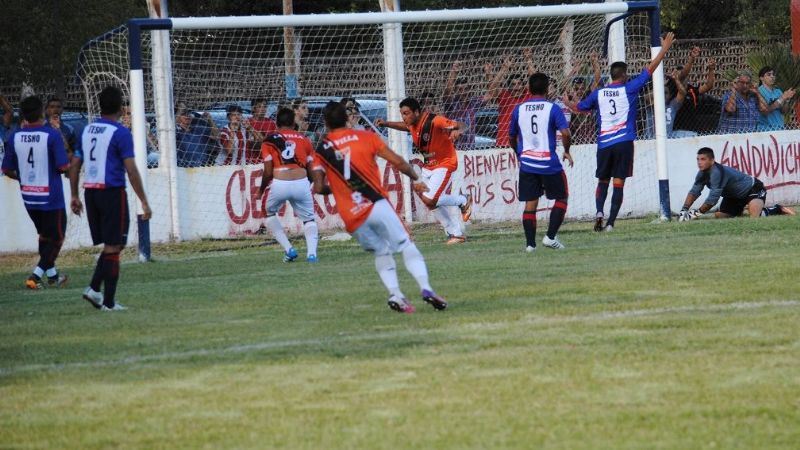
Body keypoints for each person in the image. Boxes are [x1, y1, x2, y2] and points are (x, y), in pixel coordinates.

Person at [311, 102, 448, 313]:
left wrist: (340, 189)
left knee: (382, 252)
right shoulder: (367, 137)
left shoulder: (322, 149)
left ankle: (396, 294)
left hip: (351, 216)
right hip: (376, 203)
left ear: (326, 123)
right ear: (347, 119)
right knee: (406, 245)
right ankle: (426, 288)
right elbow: (399, 162)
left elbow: (319, 188)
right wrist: (416, 178)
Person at [571, 32, 675, 232]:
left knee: (603, 181)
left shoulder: (599, 93)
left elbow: (580, 107)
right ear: (625, 75)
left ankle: (599, 212)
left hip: (604, 144)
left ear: (611, 75)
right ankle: (610, 223)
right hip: (624, 142)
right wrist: (664, 48)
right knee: (618, 183)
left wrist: (568, 103)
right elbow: (651, 69)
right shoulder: (630, 88)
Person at [69, 86, 152, 311]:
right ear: (120, 107)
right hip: (112, 192)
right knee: (115, 245)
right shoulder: (120, 133)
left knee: (112, 245)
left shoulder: (86, 131)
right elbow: (132, 171)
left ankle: (99, 294)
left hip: (91, 193)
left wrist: (74, 195)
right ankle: (103, 296)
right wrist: (143, 200)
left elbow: (75, 166)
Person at [376, 97, 472, 244]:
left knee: (430, 199)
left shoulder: (435, 121)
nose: (404, 117)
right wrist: (386, 123)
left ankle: (463, 200)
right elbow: (404, 126)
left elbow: (463, 125)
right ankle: (455, 234)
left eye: (406, 113)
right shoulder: (412, 124)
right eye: (402, 113)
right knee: (429, 203)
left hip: (445, 164)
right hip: (428, 167)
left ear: (416, 112)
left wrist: (458, 130)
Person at [1, 96, 70, 289]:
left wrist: (23, 180)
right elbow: (63, 166)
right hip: (51, 198)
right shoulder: (51, 135)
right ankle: (35, 276)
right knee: (57, 238)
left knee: (44, 236)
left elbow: (6, 169)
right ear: (41, 112)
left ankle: (53, 276)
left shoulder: (15, 137)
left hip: (29, 197)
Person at [509, 73, 574, 252]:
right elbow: (566, 134)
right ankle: (550, 237)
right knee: (562, 197)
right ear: (547, 89)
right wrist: (567, 151)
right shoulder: (553, 108)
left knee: (531, 202)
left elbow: (511, 136)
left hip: (528, 163)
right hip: (548, 163)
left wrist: (518, 152)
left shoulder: (518, 109)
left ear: (528, 89)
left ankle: (530, 245)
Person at [257, 107, 319, 263]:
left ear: (276, 123)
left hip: (280, 183)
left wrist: (261, 190)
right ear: (293, 123)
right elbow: (312, 169)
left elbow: (268, 171)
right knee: (309, 219)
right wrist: (306, 184)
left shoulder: (269, 140)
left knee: (268, 213)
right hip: (301, 181)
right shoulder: (304, 139)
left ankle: (289, 250)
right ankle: (312, 255)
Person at [678, 147, 795, 220]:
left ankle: (777, 209)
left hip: (753, 189)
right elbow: (694, 192)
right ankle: (741, 209)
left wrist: (695, 214)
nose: (699, 162)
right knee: (719, 216)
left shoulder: (718, 173)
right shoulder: (701, 174)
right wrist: (684, 210)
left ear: (712, 160)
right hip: (733, 197)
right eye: (698, 159)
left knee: (755, 217)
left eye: (703, 159)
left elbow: (712, 200)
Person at [483, 49, 537, 147]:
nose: (516, 87)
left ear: (523, 86)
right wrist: (504, 68)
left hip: (525, 145)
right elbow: (492, 88)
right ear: (509, 88)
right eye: (513, 85)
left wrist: (528, 60)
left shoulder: (528, 95)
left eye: (519, 84)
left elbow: (535, 80)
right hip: (504, 144)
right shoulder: (505, 96)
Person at [442, 60, 493, 150]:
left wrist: (488, 74)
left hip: (470, 152)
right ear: (455, 91)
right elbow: (447, 93)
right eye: (460, 89)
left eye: (466, 89)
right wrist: (454, 72)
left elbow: (490, 95)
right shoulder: (451, 105)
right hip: (454, 152)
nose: (464, 92)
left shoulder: (473, 103)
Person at [672, 47, 717, 136]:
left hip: (692, 128)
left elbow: (708, 86)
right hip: (676, 129)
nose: (683, 76)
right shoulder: (673, 88)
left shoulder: (691, 89)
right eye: (679, 74)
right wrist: (692, 58)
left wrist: (711, 70)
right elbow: (684, 74)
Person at [755, 66, 796, 131]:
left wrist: (787, 99)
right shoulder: (758, 91)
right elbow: (765, 111)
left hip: (779, 128)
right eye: (769, 74)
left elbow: (783, 111)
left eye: (773, 74)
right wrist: (782, 98)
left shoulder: (778, 91)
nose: (772, 76)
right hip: (765, 130)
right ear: (761, 78)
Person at [43, 96, 79, 161]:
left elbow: (73, 152)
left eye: (58, 107)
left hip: (63, 166)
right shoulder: (41, 128)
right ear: (46, 110)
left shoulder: (69, 129)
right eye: (52, 107)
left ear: (62, 110)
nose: (55, 109)